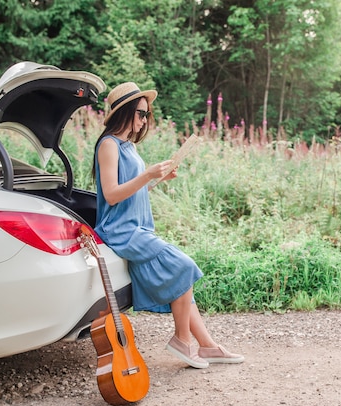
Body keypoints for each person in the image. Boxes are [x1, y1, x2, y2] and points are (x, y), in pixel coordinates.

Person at [92, 82, 244, 369]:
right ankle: (182, 341)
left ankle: (208, 346)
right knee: (183, 267)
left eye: (147, 114)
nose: (144, 120)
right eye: (140, 113)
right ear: (124, 112)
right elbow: (111, 194)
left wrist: (155, 180)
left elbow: (131, 192)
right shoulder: (109, 145)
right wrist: (147, 175)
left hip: (137, 228)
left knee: (180, 279)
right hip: (120, 231)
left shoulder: (128, 146)